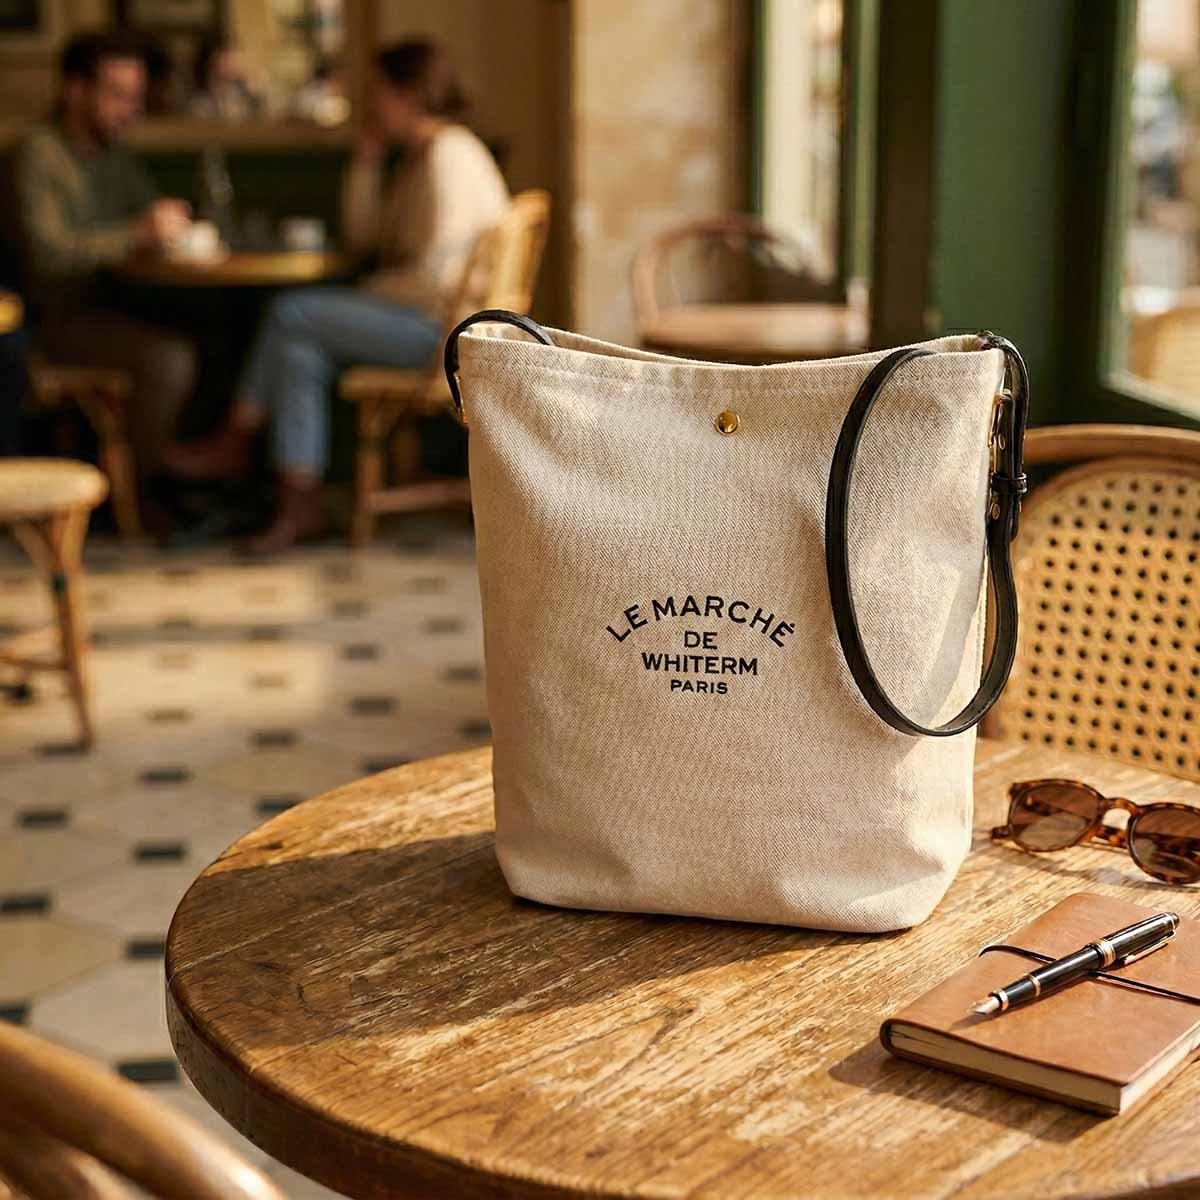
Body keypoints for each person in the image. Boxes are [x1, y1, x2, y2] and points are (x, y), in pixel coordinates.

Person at [164, 40, 510, 554]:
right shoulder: (419, 158)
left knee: (291, 312)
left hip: (447, 335)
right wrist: (366, 164)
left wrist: (366, 290)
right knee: (298, 349)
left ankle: (237, 436)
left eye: (377, 93)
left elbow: (436, 282)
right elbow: (366, 238)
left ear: (405, 95)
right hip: (426, 319)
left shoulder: (449, 157)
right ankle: (299, 500)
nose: (370, 105)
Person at [16, 30, 196, 472]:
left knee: (211, 330)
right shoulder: (40, 153)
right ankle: (141, 485)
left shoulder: (112, 152)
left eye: (135, 97)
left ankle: (176, 478)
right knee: (169, 360)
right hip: (53, 320)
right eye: (117, 95)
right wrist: (136, 234)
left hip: (117, 303)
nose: (129, 109)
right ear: (75, 90)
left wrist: (165, 224)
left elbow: (147, 210)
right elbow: (49, 254)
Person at [188, 36, 262, 122]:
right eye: (225, 59)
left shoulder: (243, 98)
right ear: (211, 62)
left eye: (231, 58)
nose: (232, 63)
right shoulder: (199, 104)